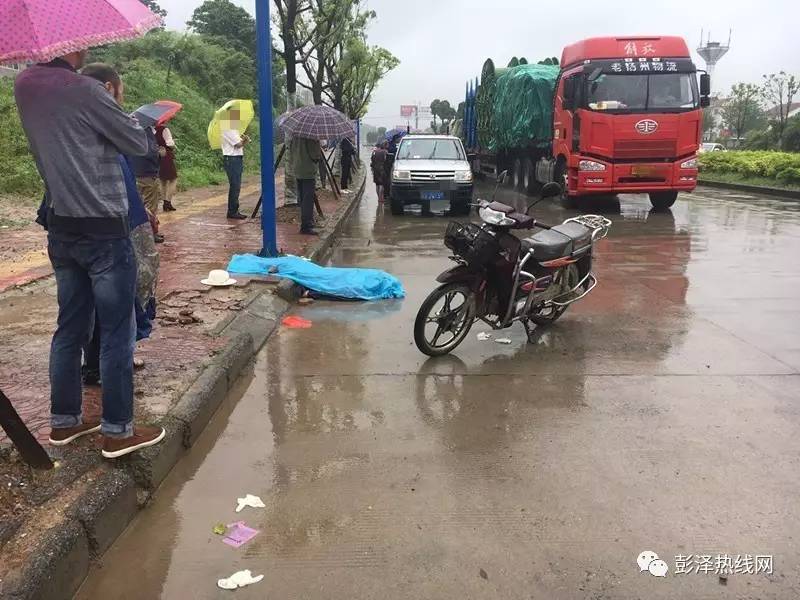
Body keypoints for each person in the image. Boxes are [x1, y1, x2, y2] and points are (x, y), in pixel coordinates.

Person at [15, 53, 165, 458]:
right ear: (75, 46)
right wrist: (115, 109)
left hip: (61, 224)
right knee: (118, 332)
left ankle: (65, 422)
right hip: (103, 228)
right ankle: (117, 431)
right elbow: (136, 143)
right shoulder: (85, 90)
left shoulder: (24, 85)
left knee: (70, 327)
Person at [130, 125, 166, 243]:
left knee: (141, 205)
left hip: (137, 173)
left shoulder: (134, 130)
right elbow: (148, 153)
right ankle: (151, 233)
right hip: (147, 174)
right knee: (151, 205)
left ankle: (144, 233)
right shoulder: (146, 132)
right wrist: (159, 153)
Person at [289, 136, 322, 235]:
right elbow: (315, 155)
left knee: (302, 198)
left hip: (297, 169)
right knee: (308, 199)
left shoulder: (295, 136)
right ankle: (306, 226)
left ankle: (307, 222)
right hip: (308, 170)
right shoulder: (311, 136)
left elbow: (290, 151)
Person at [221, 109, 250, 220]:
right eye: (235, 117)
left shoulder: (232, 129)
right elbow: (238, 144)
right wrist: (245, 140)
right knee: (235, 185)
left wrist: (243, 139)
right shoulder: (228, 128)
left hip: (235, 159)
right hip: (232, 159)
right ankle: (232, 211)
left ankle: (233, 210)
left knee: (236, 185)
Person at [156, 124, 178, 212]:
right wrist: (173, 142)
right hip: (166, 156)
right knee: (173, 179)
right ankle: (167, 202)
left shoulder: (151, 130)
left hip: (157, 156)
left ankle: (165, 202)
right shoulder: (164, 129)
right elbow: (170, 143)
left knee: (162, 180)